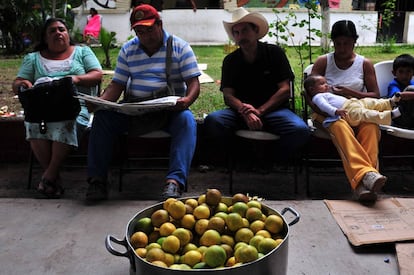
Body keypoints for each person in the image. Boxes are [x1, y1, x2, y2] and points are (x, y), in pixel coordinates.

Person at [86, 4, 201, 201]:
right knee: (102, 118)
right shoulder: (128, 50)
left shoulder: (180, 47)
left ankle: (174, 183)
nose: (145, 35)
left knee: (187, 121)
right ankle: (97, 181)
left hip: (169, 113)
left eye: (149, 29)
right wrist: (101, 103)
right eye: (140, 31)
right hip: (135, 111)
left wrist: (187, 100)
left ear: (160, 24)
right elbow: (117, 85)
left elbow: (194, 83)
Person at [204, 8, 310, 164]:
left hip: (274, 111)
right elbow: (228, 95)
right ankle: (240, 159)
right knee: (213, 121)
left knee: (299, 130)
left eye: (245, 30)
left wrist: (260, 111)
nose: (241, 36)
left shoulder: (274, 53)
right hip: (241, 113)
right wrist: (245, 111)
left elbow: (285, 89)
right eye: (236, 33)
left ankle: (272, 160)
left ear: (255, 30)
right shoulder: (231, 61)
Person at [12, 18, 103, 198]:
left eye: (62, 29)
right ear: (45, 38)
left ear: (68, 34)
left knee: (66, 122)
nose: (58, 33)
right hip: (42, 107)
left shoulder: (82, 52)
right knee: (33, 123)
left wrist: (74, 80)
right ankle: (53, 178)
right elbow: (16, 83)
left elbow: (97, 75)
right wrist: (24, 83)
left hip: (77, 105)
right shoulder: (33, 58)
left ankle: (49, 176)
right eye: (52, 31)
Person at [309, 20, 385, 203]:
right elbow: (309, 93)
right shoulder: (323, 61)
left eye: (347, 43)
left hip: (357, 112)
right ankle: (365, 179)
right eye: (338, 43)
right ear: (333, 42)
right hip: (327, 113)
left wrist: (350, 93)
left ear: (354, 42)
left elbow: (375, 94)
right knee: (340, 127)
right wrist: (328, 111)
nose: (342, 48)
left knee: (371, 128)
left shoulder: (364, 63)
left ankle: (365, 183)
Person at [305, 74, 402, 127]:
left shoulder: (326, 93)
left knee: (370, 102)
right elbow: (323, 106)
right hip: (347, 111)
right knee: (366, 114)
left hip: (353, 103)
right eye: (322, 84)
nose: (326, 85)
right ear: (312, 89)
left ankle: (390, 102)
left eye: (326, 82)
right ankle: (390, 115)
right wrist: (335, 111)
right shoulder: (317, 97)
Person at [387, 53, 414, 129]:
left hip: (411, 116)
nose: (404, 75)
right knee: (410, 89)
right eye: (401, 72)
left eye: (408, 71)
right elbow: (397, 96)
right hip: (399, 117)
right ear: (394, 73)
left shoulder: (412, 83)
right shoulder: (393, 85)